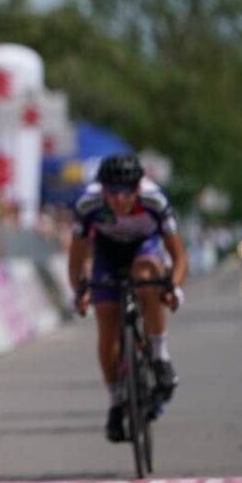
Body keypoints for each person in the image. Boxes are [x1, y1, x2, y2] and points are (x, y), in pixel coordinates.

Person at [69, 153, 188, 443]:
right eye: (113, 192)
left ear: (139, 187)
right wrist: (80, 290)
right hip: (107, 254)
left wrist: (172, 286)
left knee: (146, 276)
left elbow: (178, 255)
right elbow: (77, 257)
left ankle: (160, 356)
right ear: (103, 189)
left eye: (126, 192)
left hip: (144, 249)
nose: (120, 199)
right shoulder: (88, 204)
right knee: (107, 324)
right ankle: (114, 400)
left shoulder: (154, 200)